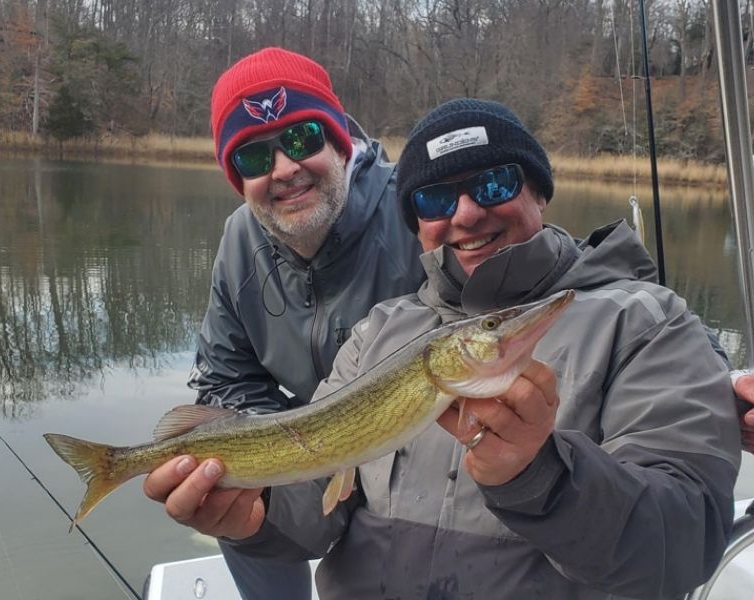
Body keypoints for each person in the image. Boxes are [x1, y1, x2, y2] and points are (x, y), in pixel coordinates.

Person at [148, 98, 744, 599]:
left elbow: (684, 544)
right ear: (417, 223)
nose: (465, 213)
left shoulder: (648, 322)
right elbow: (319, 499)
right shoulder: (382, 331)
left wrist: (542, 476)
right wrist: (255, 515)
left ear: (540, 192)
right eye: (434, 200)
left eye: (493, 183)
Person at [147, 47, 424, 599]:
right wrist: (282, 461)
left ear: (338, 142)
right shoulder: (239, 239)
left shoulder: (418, 211)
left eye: (301, 139)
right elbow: (226, 377)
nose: (284, 169)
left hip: (411, 451)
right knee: (236, 504)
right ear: (238, 178)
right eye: (254, 157)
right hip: (302, 446)